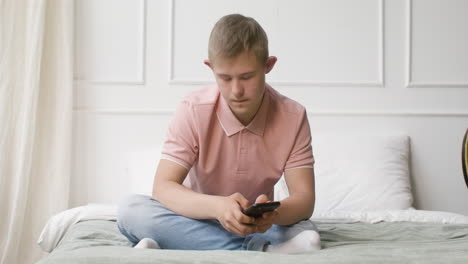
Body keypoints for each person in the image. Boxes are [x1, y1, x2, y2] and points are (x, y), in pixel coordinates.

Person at [117, 13, 321, 254]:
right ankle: (260, 251)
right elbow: (163, 188)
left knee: (304, 228)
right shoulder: (193, 109)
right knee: (131, 211)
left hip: (258, 225)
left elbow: (304, 199)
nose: (236, 90)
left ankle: (168, 244)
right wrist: (218, 207)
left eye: (247, 77)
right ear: (210, 67)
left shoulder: (293, 116)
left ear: (268, 65)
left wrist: (273, 215)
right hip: (198, 219)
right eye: (225, 78)